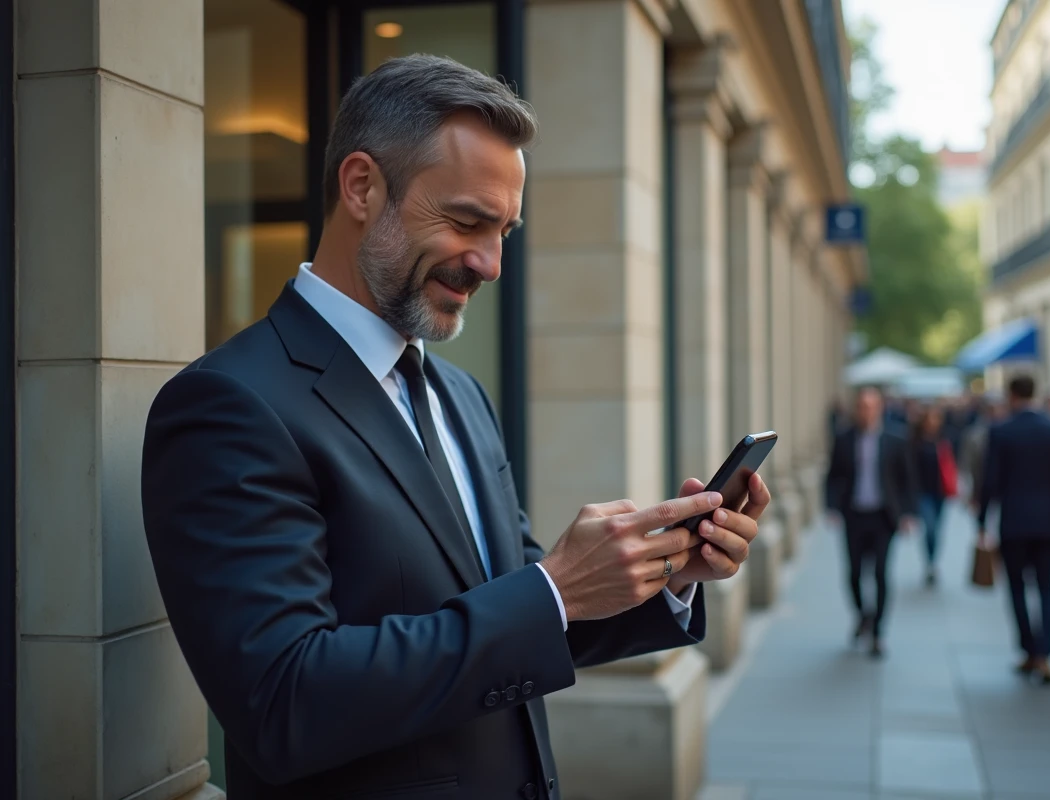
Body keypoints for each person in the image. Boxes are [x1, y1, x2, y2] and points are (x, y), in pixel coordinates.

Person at [139, 55, 771, 799]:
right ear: (362, 187)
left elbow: (521, 605)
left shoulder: (460, 394)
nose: (491, 263)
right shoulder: (227, 405)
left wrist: (660, 573)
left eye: (505, 229)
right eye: (468, 221)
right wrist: (554, 590)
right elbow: (284, 702)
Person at [978, 375, 1050, 685]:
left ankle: (1029, 650)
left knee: (1017, 589)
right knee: (1046, 587)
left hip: (1014, 522)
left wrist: (982, 521)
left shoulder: (1002, 431)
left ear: (1011, 395)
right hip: (1048, 523)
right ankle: (1045, 653)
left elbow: (990, 481)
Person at [824, 386, 917, 658]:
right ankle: (862, 615)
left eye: (871, 406)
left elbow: (907, 479)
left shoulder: (895, 439)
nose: (866, 411)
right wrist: (831, 507)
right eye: (861, 406)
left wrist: (908, 514)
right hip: (853, 514)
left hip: (883, 517)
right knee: (853, 573)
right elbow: (833, 475)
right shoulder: (843, 438)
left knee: (880, 574)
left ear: (880, 408)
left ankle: (878, 632)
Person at [910, 405, 954, 586]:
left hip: (940, 492)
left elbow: (949, 464)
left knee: (937, 529)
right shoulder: (915, 443)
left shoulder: (942, 441)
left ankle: (933, 561)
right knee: (929, 527)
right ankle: (929, 563)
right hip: (922, 493)